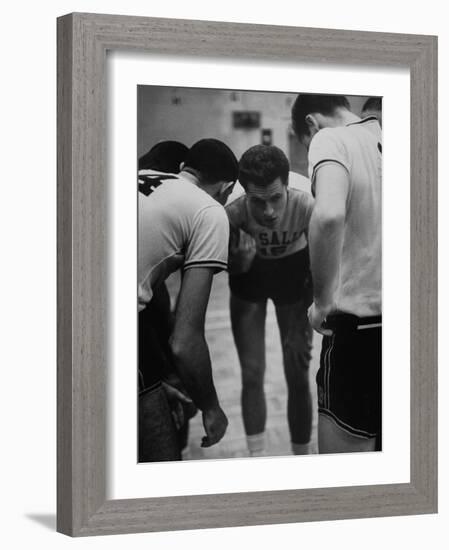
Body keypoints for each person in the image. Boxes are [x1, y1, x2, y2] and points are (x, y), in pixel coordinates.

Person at [291, 94, 382, 454]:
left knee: (348, 482)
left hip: (359, 331)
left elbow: (328, 215)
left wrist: (321, 301)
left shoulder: (331, 139)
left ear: (311, 124)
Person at [138, 138, 239, 462]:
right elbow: (185, 339)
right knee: (160, 462)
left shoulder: (138, 177)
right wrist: (212, 408)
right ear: (228, 187)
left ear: (184, 169)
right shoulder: (208, 210)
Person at [226, 145, 315, 456]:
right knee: (251, 374)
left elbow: (323, 267)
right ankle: (257, 459)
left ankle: (301, 459)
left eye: (276, 198)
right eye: (258, 202)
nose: (269, 212)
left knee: (297, 373)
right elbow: (222, 270)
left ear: (287, 186)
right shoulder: (232, 210)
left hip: (293, 272)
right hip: (249, 275)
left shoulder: (307, 202)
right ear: (245, 193)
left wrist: (304, 322)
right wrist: (238, 263)